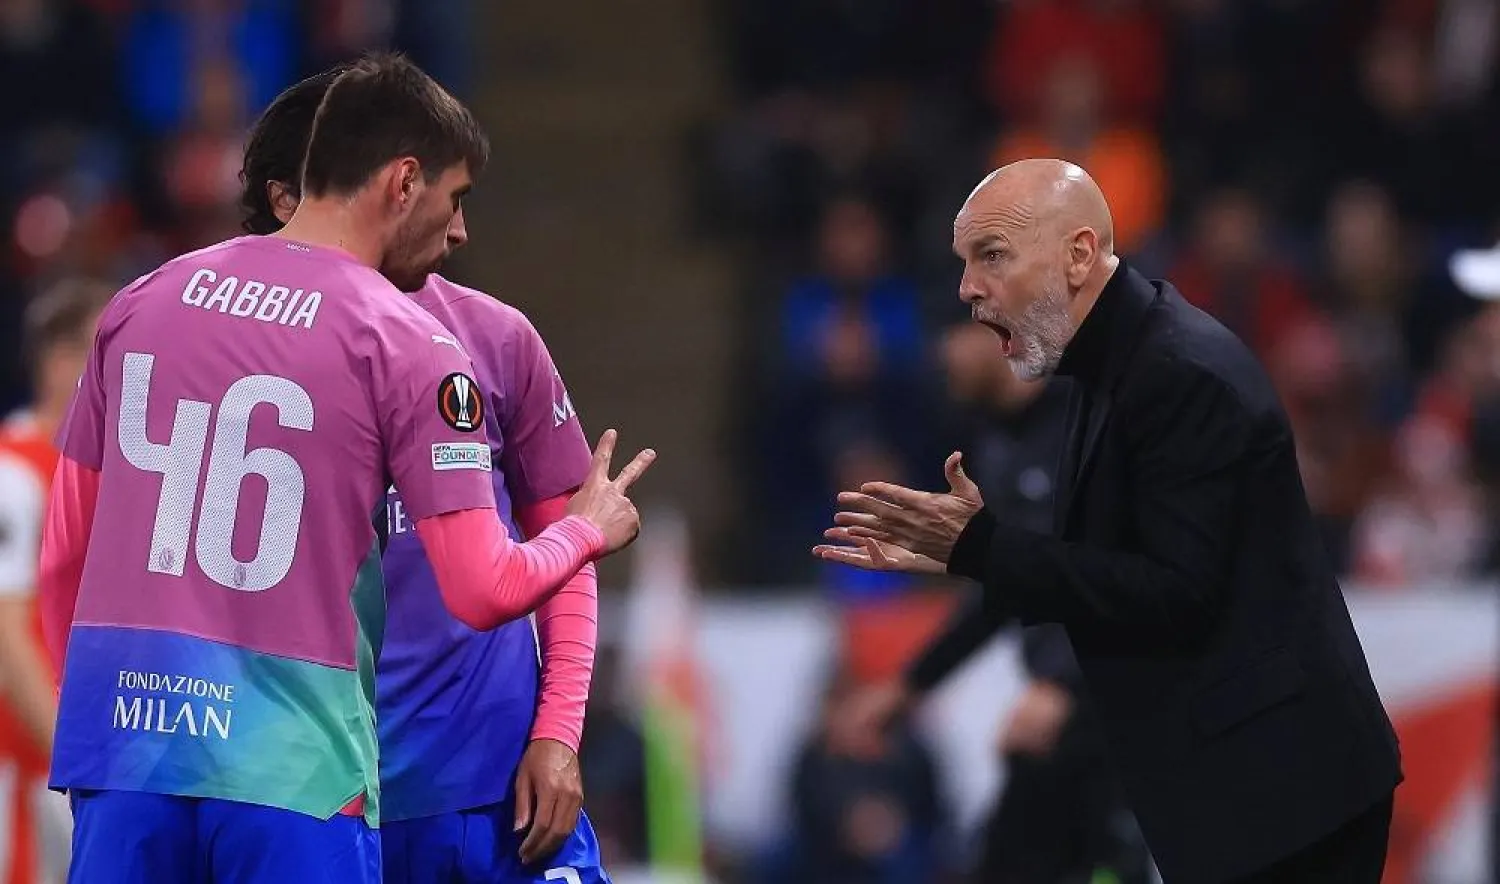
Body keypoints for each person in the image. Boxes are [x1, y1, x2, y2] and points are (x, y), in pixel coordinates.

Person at [38, 53, 654, 884]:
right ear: (403, 181)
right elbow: (484, 587)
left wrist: (90, 730)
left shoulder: (142, 300)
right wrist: (587, 530)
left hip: (134, 758)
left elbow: (65, 557)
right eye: (456, 197)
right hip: (297, 771)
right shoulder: (407, 341)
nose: (462, 229)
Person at [814, 159, 1402, 884]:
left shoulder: (1177, 374)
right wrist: (971, 556)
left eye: (990, 255)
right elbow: (1088, 562)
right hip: (1244, 791)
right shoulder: (1108, 364)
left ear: (1079, 254)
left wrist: (985, 551)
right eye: (965, 263)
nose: (967, 289)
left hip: (1287, 797)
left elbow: (1176, 593)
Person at [238, 66, 610, 882]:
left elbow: (564, 547)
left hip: (498, 796)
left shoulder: (497, 339)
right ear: (286, 200)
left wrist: (557, 733)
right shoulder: (237, 361)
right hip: (321, 805)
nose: (458, 229)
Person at [0, 280, 110, 884]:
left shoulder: (97, 471)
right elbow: (8, 636)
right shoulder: (14, 474)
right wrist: (74, 763)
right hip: (27, 767)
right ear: (63, 360)